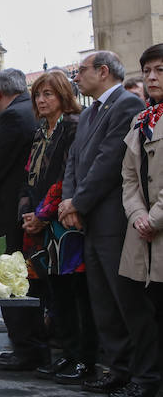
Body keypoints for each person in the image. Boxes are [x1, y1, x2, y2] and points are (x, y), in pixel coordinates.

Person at [59, 51, 145, 394]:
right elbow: (74, 161)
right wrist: (68, 201)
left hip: (112, 218)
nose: (76, 78)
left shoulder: (126, 105)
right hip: (88, 218)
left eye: (80, 71)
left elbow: (109, 161)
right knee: (103, 301)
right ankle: (117, 369)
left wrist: (78, 202)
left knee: (126, 301)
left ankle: (143, 375)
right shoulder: (91, 111)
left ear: (103, 72)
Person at [17, 71, 96, 384]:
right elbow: (29, 178)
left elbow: (68, 178)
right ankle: (66, 354)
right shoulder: (40, 131)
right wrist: (26, 212)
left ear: (64, 95)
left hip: (65, 224)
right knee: (55, 295)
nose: (41, 100)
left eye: (48, 94)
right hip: (40, 224)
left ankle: (84, 359)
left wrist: (42, 214)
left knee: (77, 295)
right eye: (38, 94)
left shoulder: (73, 127)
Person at [0, 69, 46, 371]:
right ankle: (32, 346)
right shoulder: (30, 112)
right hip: (28, 206)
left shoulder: (12, 117)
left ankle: (25, 348)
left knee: (10, 277)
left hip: (9, 208)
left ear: (3, 94)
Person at [116, 43, 163, 397]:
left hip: (156, 227)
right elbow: (129, 178)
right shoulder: (142, 119)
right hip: (141, 232)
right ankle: (145, 380)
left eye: (160, 69)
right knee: (137, 308)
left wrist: (155, 218)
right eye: (147, 70)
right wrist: (138, 215)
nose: (151, 77)